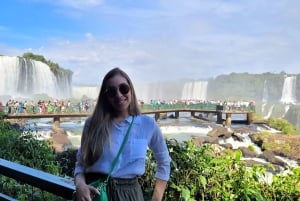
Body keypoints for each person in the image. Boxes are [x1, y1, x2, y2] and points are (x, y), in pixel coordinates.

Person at [74, 67, 171, 201]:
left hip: (130, 195)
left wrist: (156, 199)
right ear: (105, 96)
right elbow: (80, 163)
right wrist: (80, 185)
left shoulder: (147, 124)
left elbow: (164, 162)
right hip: (96, 194)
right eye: (112, 91)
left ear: (131, 89)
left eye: (123, 88)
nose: (119, 95)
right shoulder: (93, 124)